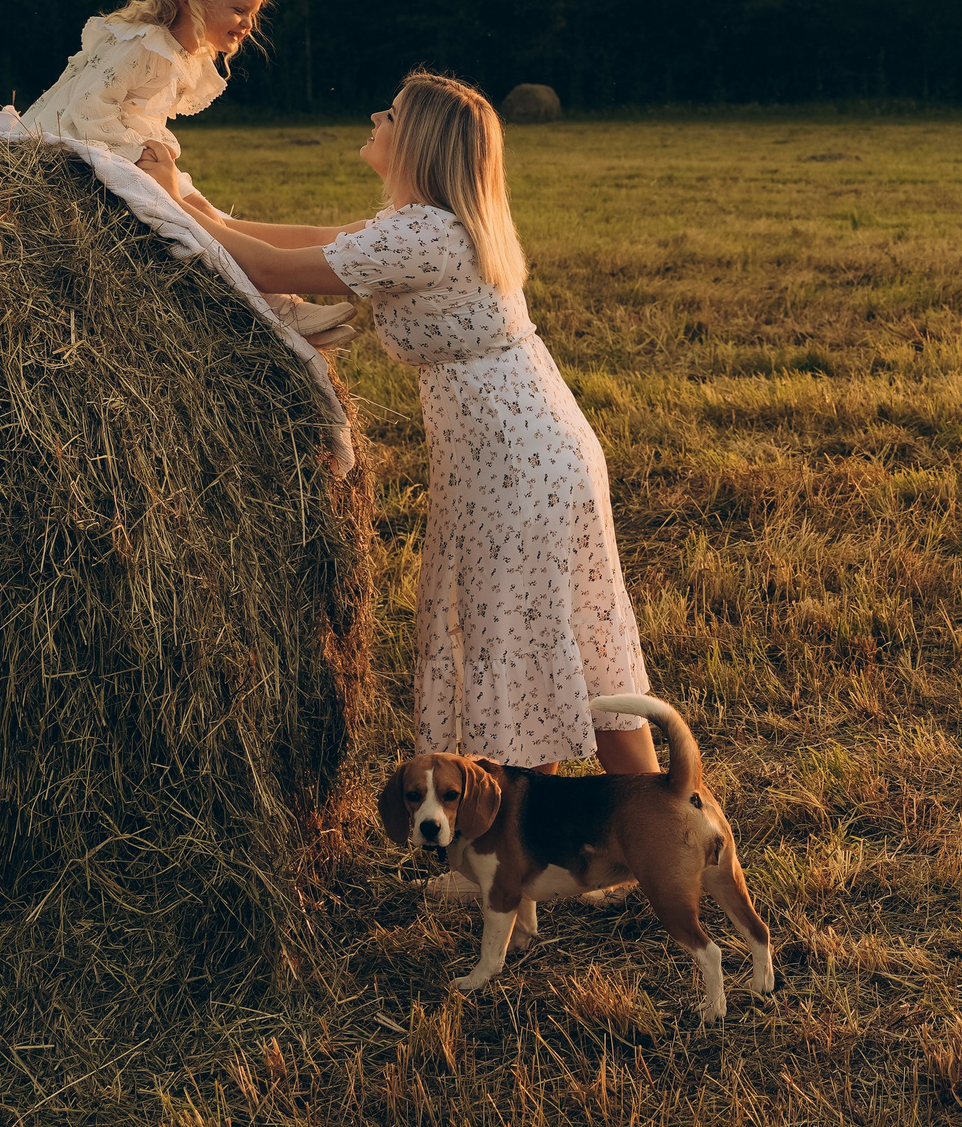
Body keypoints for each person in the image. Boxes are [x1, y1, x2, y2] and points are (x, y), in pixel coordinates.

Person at [135, 70, 658, 778]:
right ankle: (645, 820)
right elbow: (302, 239)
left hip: (512, 457)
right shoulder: (427, 225)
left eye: (390, 114)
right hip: (528, 443)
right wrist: (193, 204)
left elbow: (265, 266)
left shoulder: (423, 236)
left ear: (417, 142)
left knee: (509, 631)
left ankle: (546, 842)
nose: (375, 118)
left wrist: (167, 200)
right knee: (561, 629)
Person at [22, 0, 351, 342]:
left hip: (117, 146)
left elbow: (138, 110)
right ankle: (274, 304)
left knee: (207, 215)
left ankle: (279, 303)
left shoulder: (176, 52)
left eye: (253, 13)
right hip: (76, 145)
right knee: (186, 217)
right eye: (237, 10)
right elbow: (86, 105)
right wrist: (138, 152)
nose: (248, 23)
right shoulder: (144, 47)